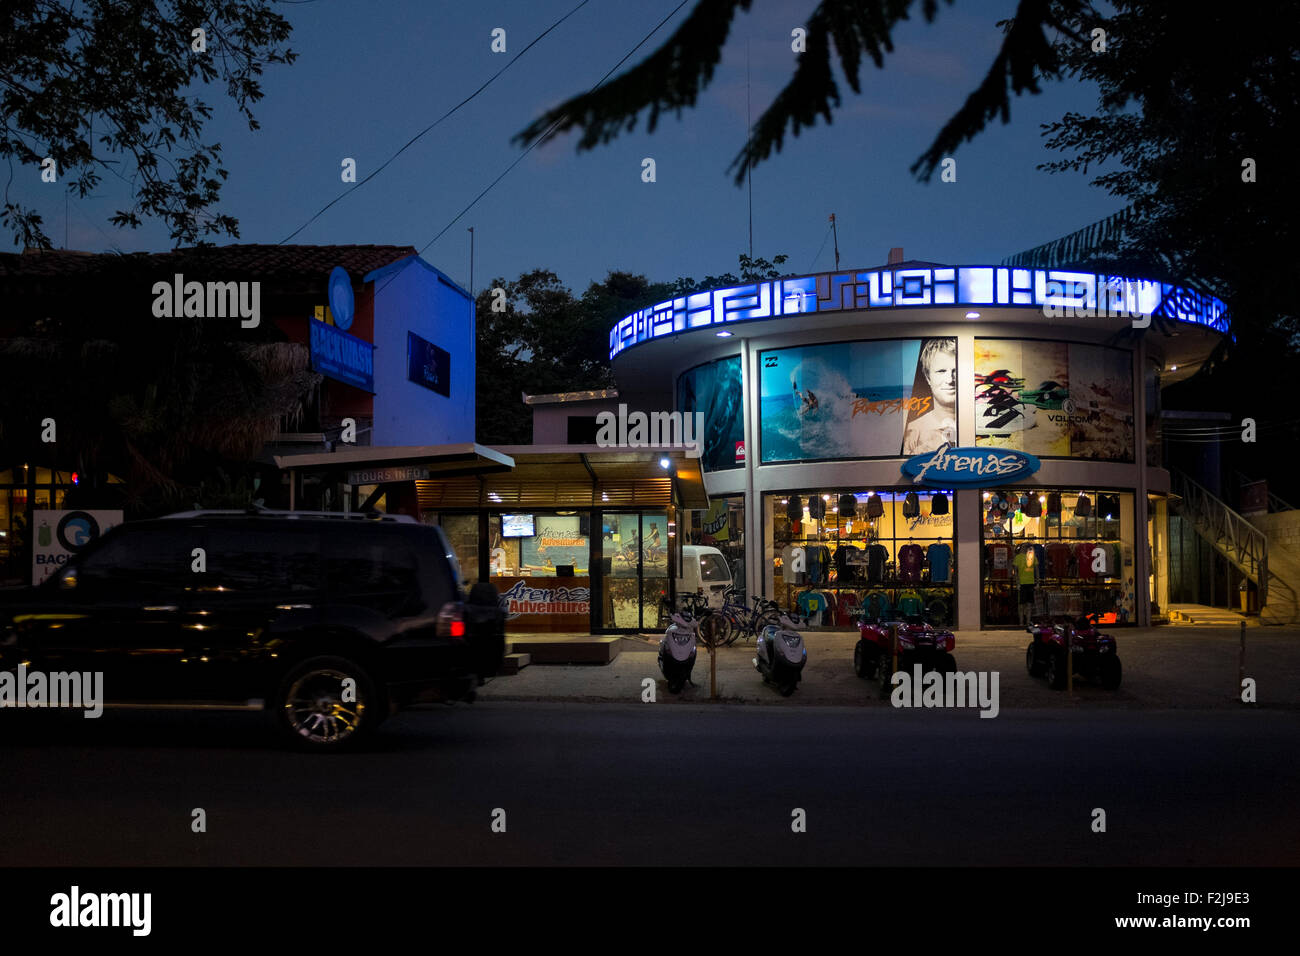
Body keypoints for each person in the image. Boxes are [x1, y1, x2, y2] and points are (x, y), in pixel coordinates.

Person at [903, 338, 957, 454]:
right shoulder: (912, 433)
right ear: (928, 377)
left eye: (955, 371)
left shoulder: (980, 429)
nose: (949, 380)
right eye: (941, 371)